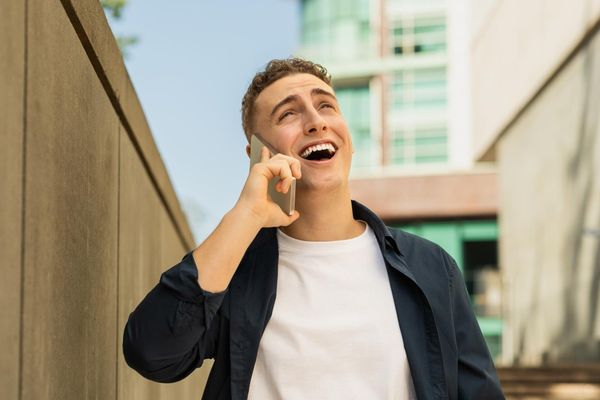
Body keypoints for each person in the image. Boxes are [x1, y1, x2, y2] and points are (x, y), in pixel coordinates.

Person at [123, 58, 505, 400]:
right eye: (288, 114)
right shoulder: (235, 271)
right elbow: (153, 353)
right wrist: (244, 216)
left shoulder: (430, 267)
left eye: (326, 105)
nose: (316, 120)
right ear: (259, 154)